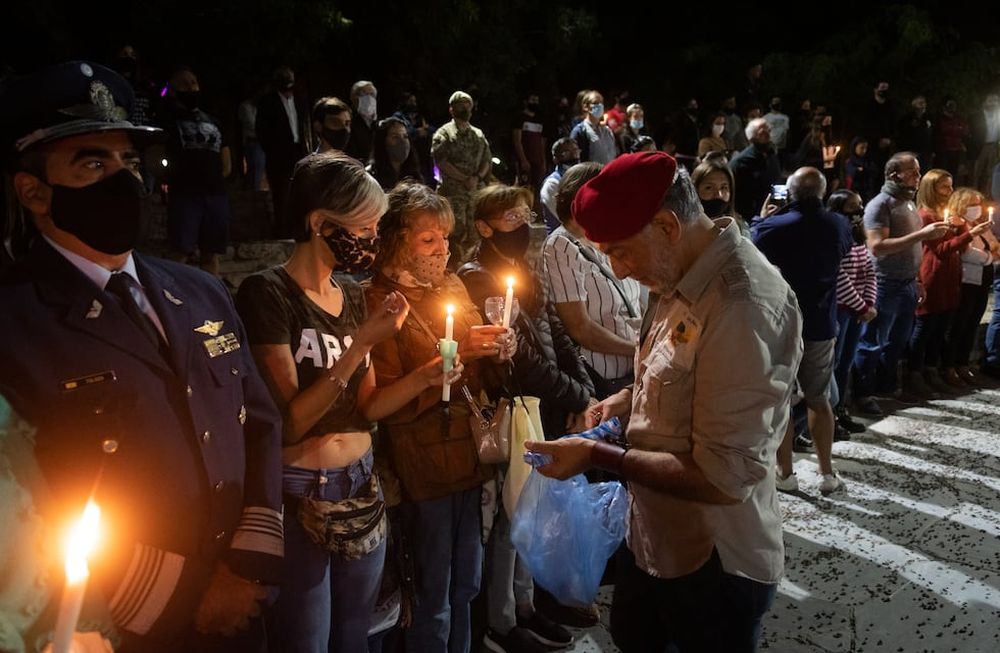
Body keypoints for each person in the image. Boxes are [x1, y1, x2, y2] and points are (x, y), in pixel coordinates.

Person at [0, 61, 284, 652]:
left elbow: (259, 423)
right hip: (116, 625)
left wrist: (247, 566)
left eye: (127, 162)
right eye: (92, 163)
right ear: (33, 193)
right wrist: (183, 594)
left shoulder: (199, 290)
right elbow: (27, 503)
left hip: (242, 605)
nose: (123, 181)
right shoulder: (17, 324)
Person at [525, 151, 802, 652]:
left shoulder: (740, 303)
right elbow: (681, 375)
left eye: (621, 252)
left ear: (668, 225)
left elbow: (721, 476)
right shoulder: (677, 274)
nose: (620, 270)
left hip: (712, 560)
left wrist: (594, 455)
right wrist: (627, 401)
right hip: (655, 538)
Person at [235, 152, 458, 652]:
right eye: (364, 226)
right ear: (320, 223)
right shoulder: (268, 293)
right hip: (301, 496)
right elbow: (289, 422)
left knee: (356, 636)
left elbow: (370, 405)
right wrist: (360, 344)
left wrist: (428, 375)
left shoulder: (353, 295)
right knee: (308, 640)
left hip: (361, 487)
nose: (372, 240)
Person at [367, 182, 515, 653]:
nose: (441, 249)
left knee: (467, 584)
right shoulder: (380, 301)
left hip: (469, 456)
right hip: (422, 465)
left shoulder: (450, 285)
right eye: (428, 240)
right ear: (394, 241)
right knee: (432, 591)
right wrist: (441, 367)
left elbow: (479, 356)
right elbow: (383, 399)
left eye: (445, 238)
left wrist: (500, 346)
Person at [458, 184, 590, 652]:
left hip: (545, 406)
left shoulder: (521, 269)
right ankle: (502, 621)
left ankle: (527, 605)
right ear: (484, 227)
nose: (522, 227)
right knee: (511, 518)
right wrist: (574, 392)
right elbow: (524, 359)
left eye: (525, 216)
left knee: (534, 512)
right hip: (513, 407)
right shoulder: (477, 278)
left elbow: (555, 329)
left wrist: (582, 391)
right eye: (511, 219)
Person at [753, 167, 852, 495]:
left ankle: (786, 473)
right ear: (822, 192)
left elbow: (752, 251)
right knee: (819, 398)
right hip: (821, 323)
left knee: (781, 399)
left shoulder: (771, 227)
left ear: (790, 194)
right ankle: (826, 473)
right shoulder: (838, 224)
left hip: (782, 324)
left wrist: (762, 217)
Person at [852, 152, 951, 416]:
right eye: (913, 172)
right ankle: (864, 394)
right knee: (872, 341)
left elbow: (913, 246)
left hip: (907, 283)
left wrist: (917, 279)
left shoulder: (907, 202)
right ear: (895, 175)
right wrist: (923, 234)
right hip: (885, 284)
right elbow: (877, 246)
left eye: (918, 172)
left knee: (898, 341)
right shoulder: (880, 205)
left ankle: (886, 386)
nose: (918, 176)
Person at [541, 163, 644, 398]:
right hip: (603, 377)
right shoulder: (562, 246)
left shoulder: (610, 239)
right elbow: (580, 328)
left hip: (634, 370)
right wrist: (635, 349)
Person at [161, 66, 232, 276]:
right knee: (181, 251)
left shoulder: (214, 121)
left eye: (193, 83)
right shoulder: (168, 121)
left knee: (211, 253)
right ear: (173, 90)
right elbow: (156, 155)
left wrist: (219, 177)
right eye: (183, 84)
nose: (190, 88)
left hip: (215, 194)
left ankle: (212, 296)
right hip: (184, 195)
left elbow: (226, 158)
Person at [907, 168, 966, 397]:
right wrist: (968, 233)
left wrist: (961, 227)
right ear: (931, 189)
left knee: (941, 327)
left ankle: (931, 370)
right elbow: (940, 250)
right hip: (932, 277)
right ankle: (914, 374)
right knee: (925, 328)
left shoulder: (945, 213)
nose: (950, 191)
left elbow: (959, 247)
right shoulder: (925, 216)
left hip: (949, 278)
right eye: (944, 187)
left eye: (951, 186)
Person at [827, 189, 876, 434]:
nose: (858, 213)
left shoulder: (858, 236)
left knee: (846, 362)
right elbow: (839, 276)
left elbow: (868, 269)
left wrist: (869, 302)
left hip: (857, 310)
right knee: (832, 363)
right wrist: (862, 306)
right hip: (841, 309)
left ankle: (840, 410)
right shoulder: (835, 236)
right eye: (852, 208)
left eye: (860, 206)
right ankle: (829, 415)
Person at [941, 188, 998, 386]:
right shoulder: (957, 225)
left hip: (982, 280)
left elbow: (994, 244)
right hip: (966, 281)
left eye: (978, 204)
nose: (976, 208)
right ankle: (948, 366)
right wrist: (989, 258)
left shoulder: (979, 225)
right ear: (961, 205)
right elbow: (966, 252)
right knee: (959, 324)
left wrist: (990, 254)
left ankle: (962, 363)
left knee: (972, 323)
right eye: (972, 204)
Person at [431, 91, 493, 265]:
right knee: (453, 232)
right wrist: (464, 178)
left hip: (475, 193)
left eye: (467, 104)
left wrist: (477, 177)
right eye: (460, 104)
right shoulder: (444, 133)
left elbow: (487, 160)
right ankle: (452, 268)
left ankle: (473, 266)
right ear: (452, 109)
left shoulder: (478, 134)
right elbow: (441, 161)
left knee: (476, 233)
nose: (464, 107)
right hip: (453, 192)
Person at [256, 66, 308, 238]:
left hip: (298, 150)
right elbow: (262, 131)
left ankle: (298, 228)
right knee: (281, 192)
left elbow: (303, 126)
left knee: (299, 191)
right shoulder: (267, 102)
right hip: (278, 154)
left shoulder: (299, 101)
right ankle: (282, 230)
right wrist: (272, 150)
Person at [729, 117, 782, 222]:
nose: (768, 134)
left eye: (769, 129)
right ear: (752, 137)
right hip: (751, 216)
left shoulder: (772, 155)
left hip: (773, 211)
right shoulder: (741, 162)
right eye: (763, 132)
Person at [370, 116, 424, 191]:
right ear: (382, 141)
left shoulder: (415, 175)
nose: (402, 141)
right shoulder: (371, 177)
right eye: (395, 137)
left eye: (405, 136)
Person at [539, 137, 581, 233]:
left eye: (576, 150)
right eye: (566, 153)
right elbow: (567, 220)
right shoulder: (552, 184)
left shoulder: (582, 177)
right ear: (555, 159)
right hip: (561, 242)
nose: (574, 155)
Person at [511, 92, 547, 194]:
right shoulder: (520, 118)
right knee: (523, 188)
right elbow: (517, 141)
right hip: (525, 159)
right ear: (526, 101)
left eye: (536, 101)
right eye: (532, 100)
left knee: (536, 189)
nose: (535, 103)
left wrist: (543, 161)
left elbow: (542, 142)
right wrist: (523, 160)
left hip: (537, 160)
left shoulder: (540, 119)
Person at [691, 157, 741, 228]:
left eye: (724, 188)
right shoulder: (682, 231)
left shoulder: (741, 229)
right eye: (709, 188)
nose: (718, 195)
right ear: (695, 191)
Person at [570, 90, 617, 164]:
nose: (600, 106)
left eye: (601, 103)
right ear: (585, 107)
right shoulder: (579, 131)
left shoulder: (607, 131)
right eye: (595, 103)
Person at [346, 80, 378, 164]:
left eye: (372, 94)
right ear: (354, 98)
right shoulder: (348, 122)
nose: (369, 98)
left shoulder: (379, 124)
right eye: (364, 94)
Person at [844, 136, 880, 202]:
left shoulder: (868, 160)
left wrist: (863, 170)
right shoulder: (850, 161)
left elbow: (875, 171)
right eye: (861, 148)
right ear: (855, 147)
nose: (864, 150)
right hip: (856, 193)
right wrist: (864, 171)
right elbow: (853, 173)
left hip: (869, 192)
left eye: (865, 148)